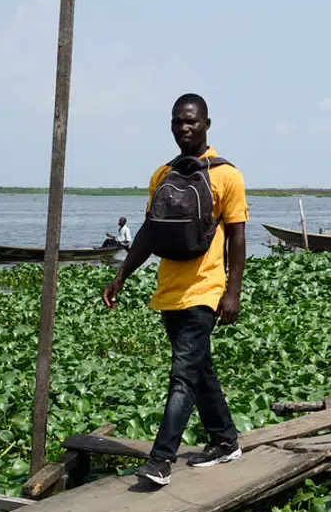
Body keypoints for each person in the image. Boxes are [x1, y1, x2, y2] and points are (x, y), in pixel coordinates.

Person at [103, 93, 249, 487]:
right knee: (199, 370)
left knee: (182, 375)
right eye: (177, 122)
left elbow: (237, 236)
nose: (184, 128)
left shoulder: (227, 175)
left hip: (205, 291)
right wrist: (122, 276)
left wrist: (232, 292)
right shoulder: (162, 175)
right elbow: (149, 231)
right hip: (169, 291)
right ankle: (225, 439)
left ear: (206, 124)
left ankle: (161, 459)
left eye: (191, 121)